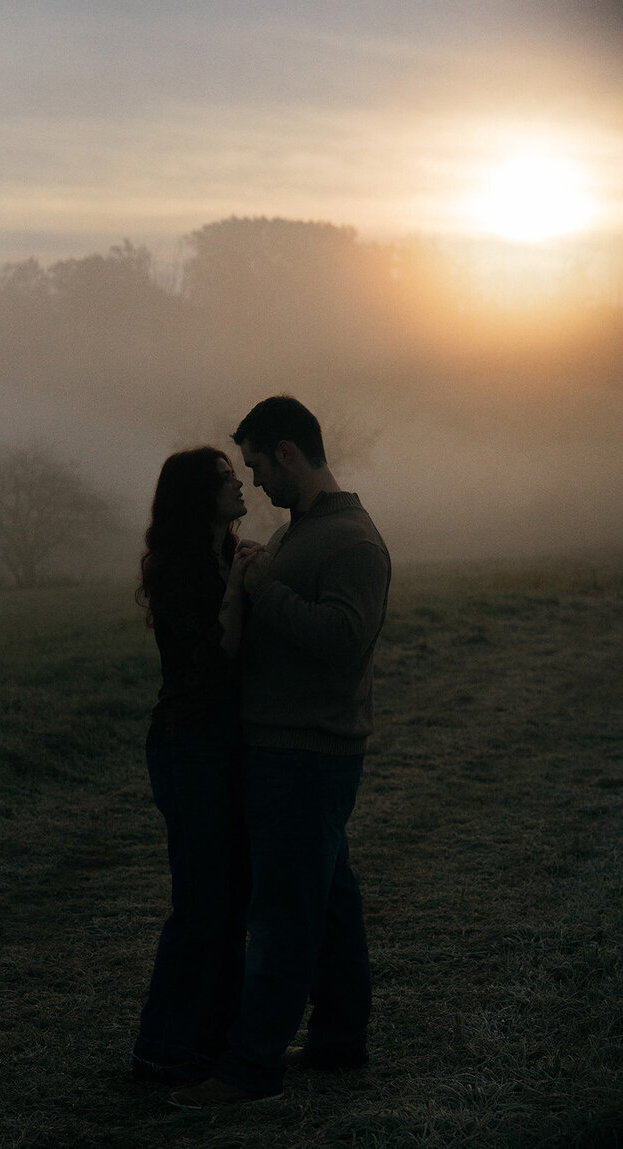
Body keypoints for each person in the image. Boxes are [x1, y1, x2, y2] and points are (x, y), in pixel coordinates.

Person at [170, 396, 391, 1107]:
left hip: (305, 756)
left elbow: (343, 640)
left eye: (260, 464)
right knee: (329, 904)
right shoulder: (307, 530)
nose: (256, 482)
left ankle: (249, 1068)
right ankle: (337, 1042)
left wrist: (263, 590)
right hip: (291, 752)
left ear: (289, 453)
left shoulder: (352, 540)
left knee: (282, 918)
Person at [132, 446, 259, 1087]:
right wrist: (240, 586)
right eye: (226, 480)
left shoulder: (221, 555)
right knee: (202, 904)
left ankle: (211, 1040)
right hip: (190, 747)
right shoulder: (184, 568)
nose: (240, 485)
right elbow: (213, 662)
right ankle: (162, 1049)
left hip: (218, 745)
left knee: (228, 899)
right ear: (198, 496)